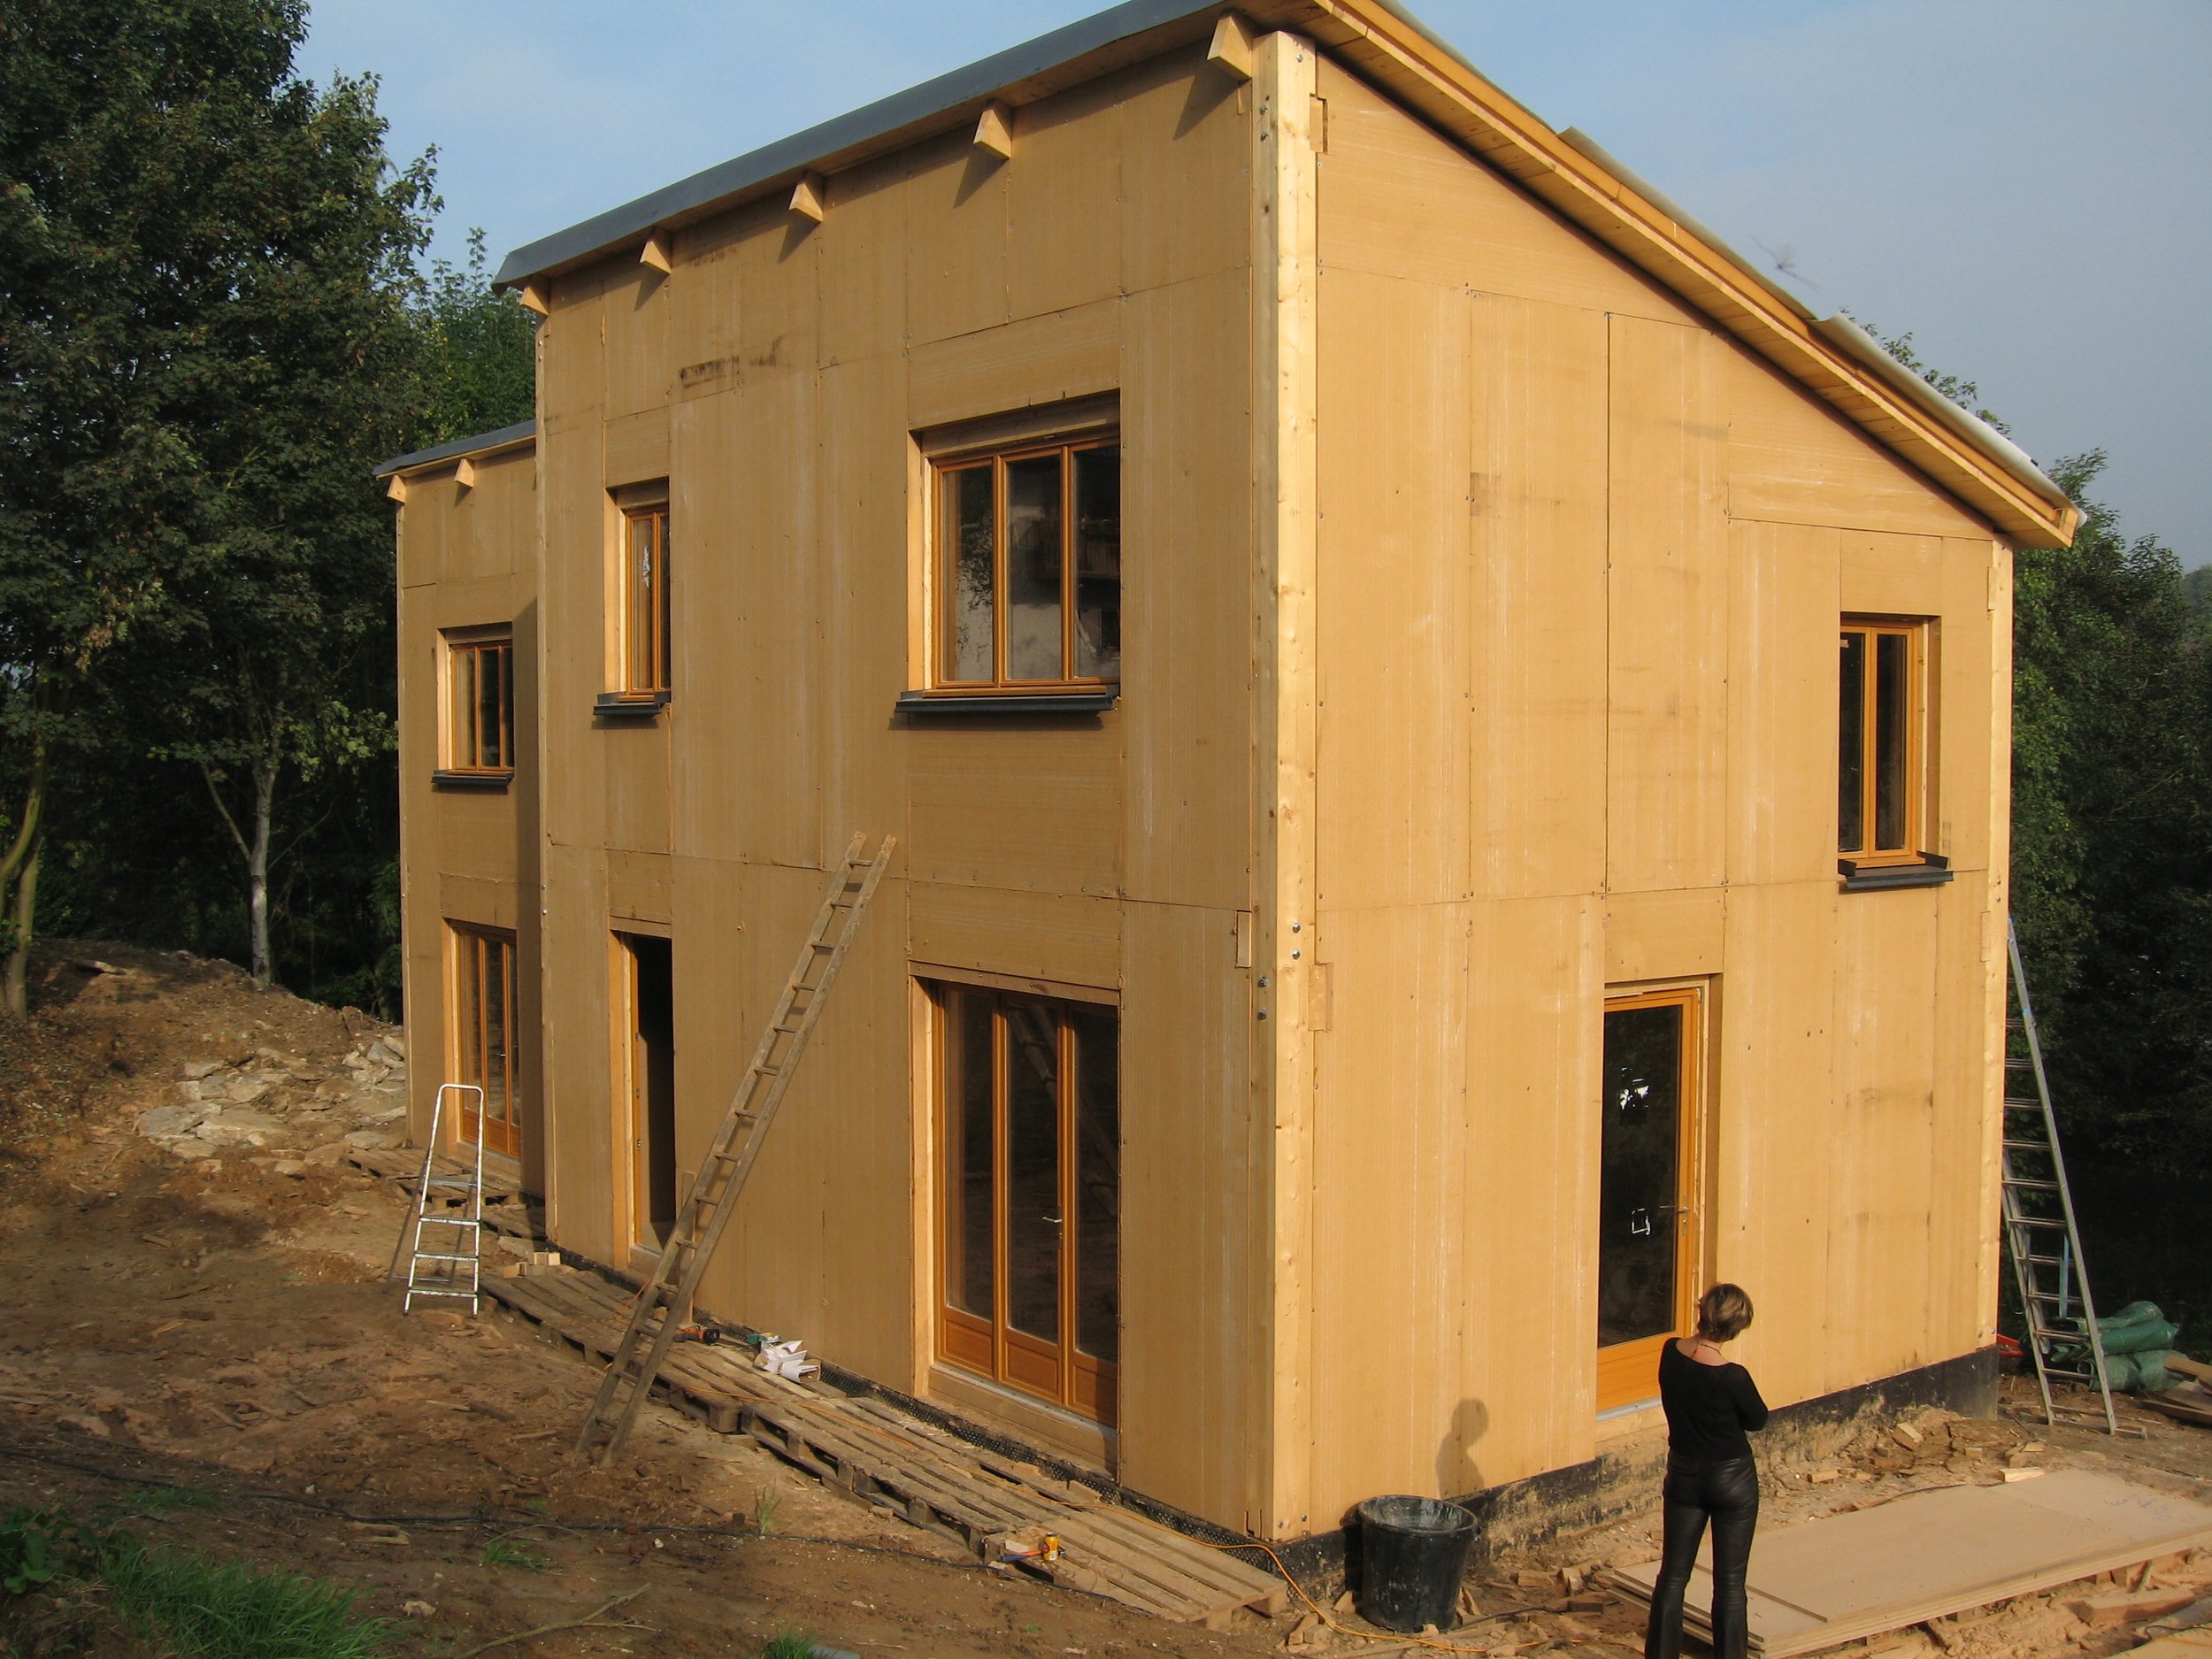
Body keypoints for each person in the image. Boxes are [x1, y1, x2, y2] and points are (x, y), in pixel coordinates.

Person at [1644, 1283, 1768, 1659]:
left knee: (1673, 1574)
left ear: (1702, 1314)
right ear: (1736, 1327)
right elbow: (1757, 1419)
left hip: (1684, 1473)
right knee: (1729, 1583)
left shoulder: (1670, 1352)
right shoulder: (1733, 1376)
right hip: (1732, 1478)